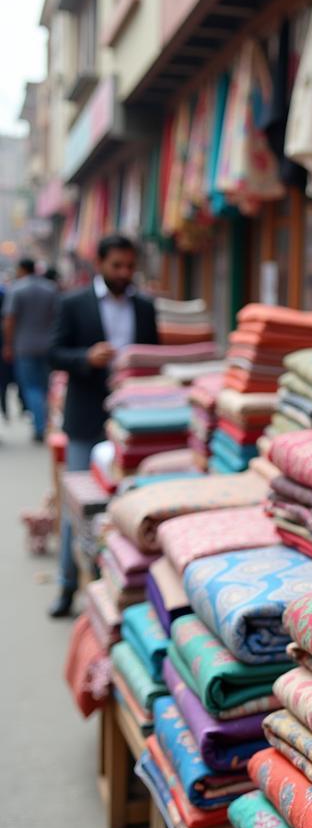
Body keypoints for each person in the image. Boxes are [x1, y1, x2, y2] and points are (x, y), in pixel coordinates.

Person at [48, 234, 158, 618]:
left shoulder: (144, 308)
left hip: (133, 421)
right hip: (87, 417)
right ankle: (66, 585)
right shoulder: (73, 304)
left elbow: (153, 357)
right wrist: (86, 358)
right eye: (118, 266)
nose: (125, 273)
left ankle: (112, 586)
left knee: (127, 504)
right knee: (77, 505)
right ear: (101, 265)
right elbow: (54, 353)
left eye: (130, 266)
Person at [3, 256, 59, 441]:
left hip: (24, 346)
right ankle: (44, 422)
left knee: (31, 387)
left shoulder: (17, 289)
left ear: (21, 269)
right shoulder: (49, 288)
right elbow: (57, 317)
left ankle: (40, 426)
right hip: (47, 345)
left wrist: (8, 345)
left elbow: (10, 320)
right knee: (43, 387)